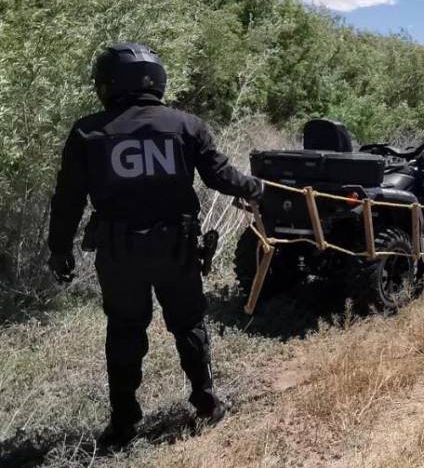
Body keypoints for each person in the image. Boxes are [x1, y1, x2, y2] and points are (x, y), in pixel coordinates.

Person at [47, 43, 264, 449]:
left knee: (125, 331)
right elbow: (222, 178)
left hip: (119, 254)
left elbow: (67, 200)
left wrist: (58, 250)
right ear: (157, 81)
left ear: (109, 83)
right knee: (189, 325)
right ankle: (206, 403)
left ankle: (123, 426)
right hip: (176, 249)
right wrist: (258, 188)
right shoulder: (186, 125)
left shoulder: (88, 131)